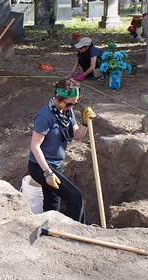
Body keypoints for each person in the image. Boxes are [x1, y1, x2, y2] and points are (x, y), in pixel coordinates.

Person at [27, 79, 93, 223]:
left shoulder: (66, 112)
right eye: (69, 103)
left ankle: (48, 232)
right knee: (75, 197)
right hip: (40, 167)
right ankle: (77, 232)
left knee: (52, 205)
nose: (71, 107)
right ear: (58, 98)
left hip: (55, 166)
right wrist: (47, 173)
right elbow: (35, 146)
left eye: (74, 104)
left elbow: (77, 136)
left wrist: (85, 123)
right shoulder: (45, 116)